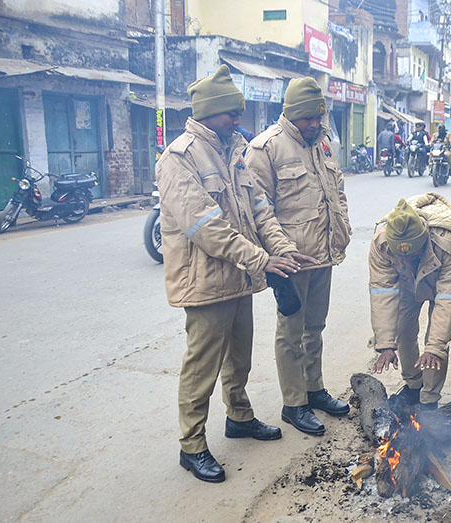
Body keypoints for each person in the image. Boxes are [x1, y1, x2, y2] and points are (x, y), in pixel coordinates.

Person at [157, 65, 315, 483]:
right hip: (205, 282)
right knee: (202, 367)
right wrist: (261, 260)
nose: (238, 120)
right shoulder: (180, 159)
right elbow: (207, 229)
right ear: (210, 112)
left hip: (238, 279)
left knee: (239, 356)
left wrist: (281, 249)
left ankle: (239, 417)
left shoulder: (234, 149)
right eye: (231, 113)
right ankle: (191, 446)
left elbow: (259, 209)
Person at [244, 77, 353, 437]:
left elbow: (337, 191)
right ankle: (294, 404)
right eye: (307, 118)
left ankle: (314, 388)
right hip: (289, 261)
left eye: (318, 118)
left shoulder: (322, 143)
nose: (314, 124)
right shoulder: (266, 149)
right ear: (290, 115)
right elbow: (259, 212)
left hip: (323, 255)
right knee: (290, 333)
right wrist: (276, 257)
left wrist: (344, 229)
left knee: (315, 328)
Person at [370, 194, 451, 410]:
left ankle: (429, 397)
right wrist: (385, 345)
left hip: (441, 279)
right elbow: (383, 292)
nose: (405, 259)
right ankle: (413, 385)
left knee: (436, 345)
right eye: (401, 255)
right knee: (402, 330)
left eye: (411, 254)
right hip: (407, 282)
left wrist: (434, 347)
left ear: (424, 241)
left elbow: (449, 299)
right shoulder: (382, 243)